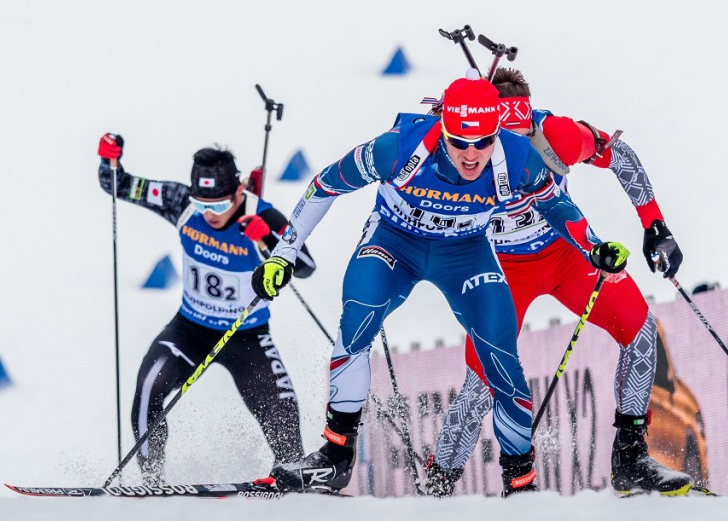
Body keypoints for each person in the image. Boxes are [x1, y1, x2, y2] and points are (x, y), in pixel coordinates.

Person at [248, 71, 630, 497]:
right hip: (395, 243)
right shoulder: (398, 148)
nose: (472, 156)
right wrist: (282, 254)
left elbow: (556, 205)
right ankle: (336, 458)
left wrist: (594, 248)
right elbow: (324, 186)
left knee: (499, 355)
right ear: (443, 129)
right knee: (360, 314)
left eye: (483, 142)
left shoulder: (518, 157)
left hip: (463, 253)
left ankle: (520, 484)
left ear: (496, 134)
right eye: (459, 143)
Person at [423, 68, 693, 497]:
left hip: (566, 254)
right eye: (501, 139)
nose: (514, 151)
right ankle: (437, 484)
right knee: (481, 382)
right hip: (502, 269)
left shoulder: (558, 135)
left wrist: (654, 225)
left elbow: (619, 155)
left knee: (640, 330)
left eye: (522, 135)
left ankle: (631, 459)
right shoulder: (460, 146)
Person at [96, 135, 315, 484]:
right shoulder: (178, 201)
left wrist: (270, 240)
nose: (208, 215)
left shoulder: (263, 214)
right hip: (191, 329)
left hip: (247, 337)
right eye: (201, 206)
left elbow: (305, 265)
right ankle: (151, 481)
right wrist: (110, 160)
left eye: (217, 206)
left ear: (239, 193)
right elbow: (117, 185)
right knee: (148, 389)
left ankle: (295, 483)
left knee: (282, 411)